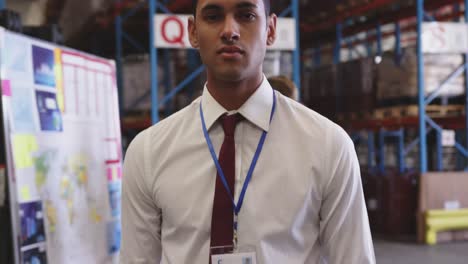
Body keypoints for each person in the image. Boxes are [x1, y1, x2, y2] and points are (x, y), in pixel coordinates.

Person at [120, 0, 375, 263]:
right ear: (193, 32)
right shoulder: (149, 152)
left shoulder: (328, 146)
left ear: (271, 30)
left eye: (246, 15)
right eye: (213, 16)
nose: (230, 30)